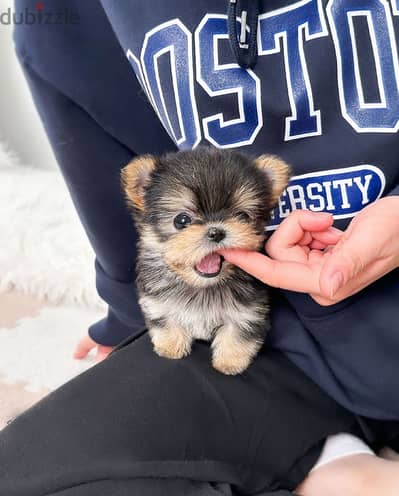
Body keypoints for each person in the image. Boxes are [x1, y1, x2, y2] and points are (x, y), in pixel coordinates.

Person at [1, 0, 398, 494]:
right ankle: (335, 460)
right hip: (273, 344)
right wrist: (128, 317)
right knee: (23, 475)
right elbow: (110, 168)